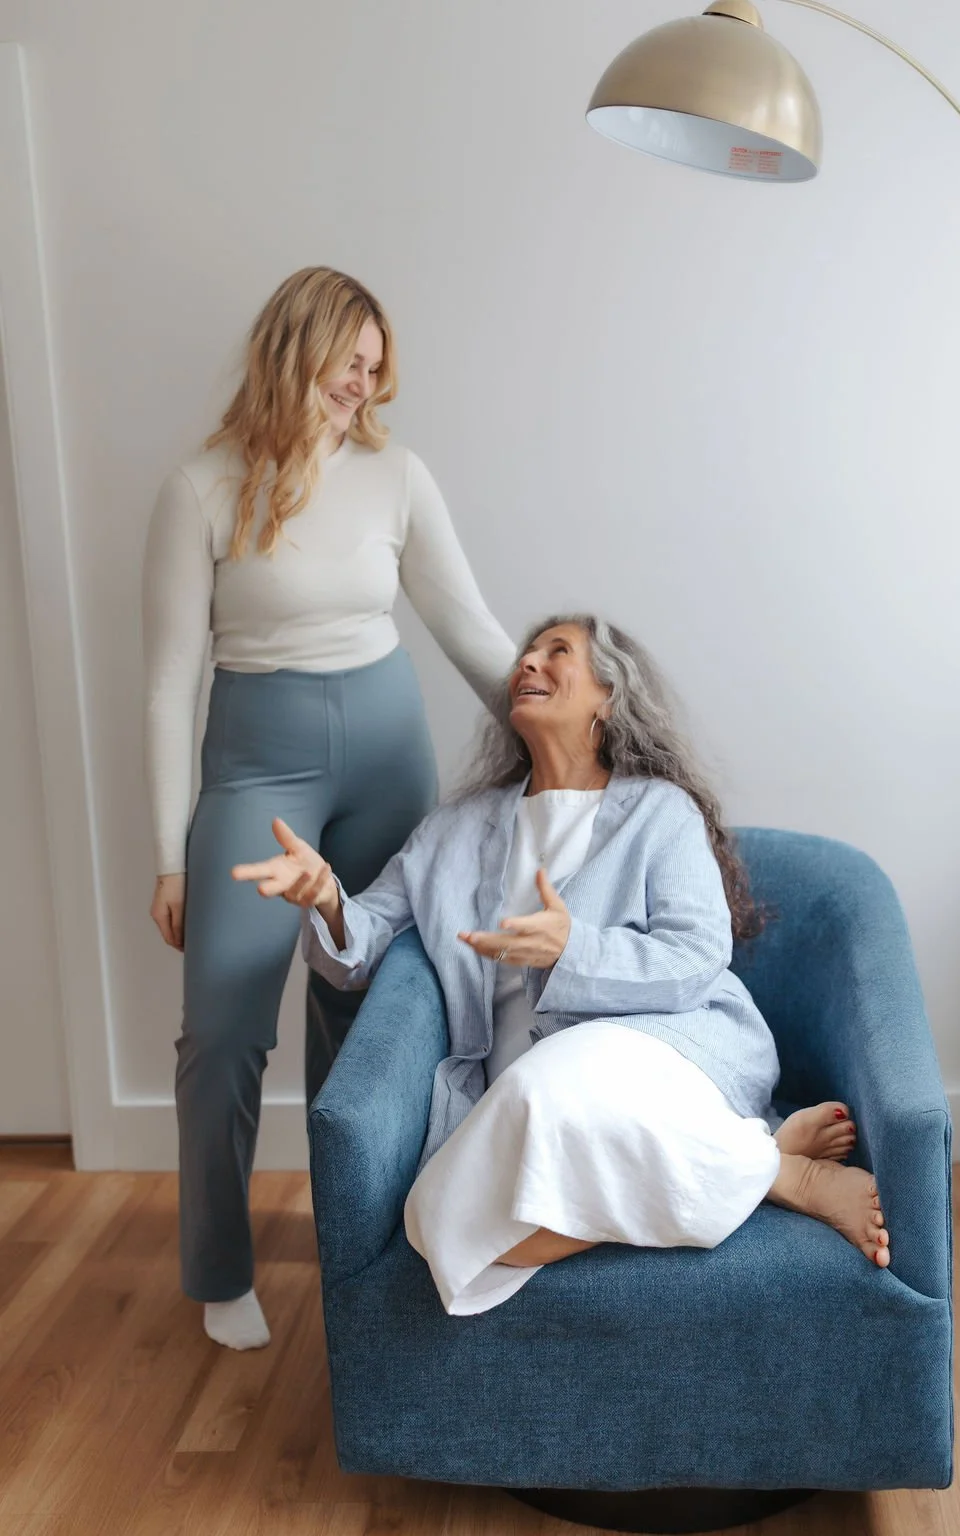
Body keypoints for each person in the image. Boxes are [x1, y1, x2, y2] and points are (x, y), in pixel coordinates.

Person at [234, 614, 886, 1317]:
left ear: (609, 695)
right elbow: (359, 949)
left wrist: (571, 949)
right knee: (437, 1221)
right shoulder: (453, 830)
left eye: (558, 652)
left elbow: (697, 955)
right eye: (527, 653)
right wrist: (326, 897)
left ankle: (798, 1182)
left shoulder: (659, 812)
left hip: (662, 1051)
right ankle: (763, 1163)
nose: (529, 663)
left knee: (542, 1089)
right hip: (517, 1096)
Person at [143, 267, 515, 1348]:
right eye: (349, 362)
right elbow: (168, 684)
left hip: (388, 762)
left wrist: (572, 736)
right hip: (256, 775)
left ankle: (358, 1236)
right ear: (294, 348)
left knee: (367, 1011)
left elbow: (467, 626)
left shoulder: (396, 476)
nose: (363, 385)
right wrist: (169, 854)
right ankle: (220, 1268)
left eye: (374, 367)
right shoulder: (200, 488)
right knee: (223, 1029)